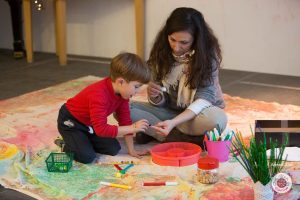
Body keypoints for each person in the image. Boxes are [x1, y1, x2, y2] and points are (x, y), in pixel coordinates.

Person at [130, 7, 227, 147]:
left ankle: (155, 132)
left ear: (196, 40)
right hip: (170, 112)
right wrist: (155, 96)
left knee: (217, 119)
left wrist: (174, 122)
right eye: (172, 39)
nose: (176, 47)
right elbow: (162, 100)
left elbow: (204, 99)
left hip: (197, 115)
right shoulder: (161, 51)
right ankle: (181, 137)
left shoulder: (208, 55)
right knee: (125, 109)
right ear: (167, 35)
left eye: (184, 42)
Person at [57, 52, 151, 164]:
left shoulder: (123, 94)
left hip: (90, 124)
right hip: (71, 122)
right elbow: (102, 130)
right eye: (136, 87)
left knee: (113, 149)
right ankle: (67, 144)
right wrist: (132, 128)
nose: (137, 91)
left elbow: (125, 121)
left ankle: (82, 140)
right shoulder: (99, 95)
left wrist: (132, 150)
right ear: (121, 82)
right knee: (87, 157)